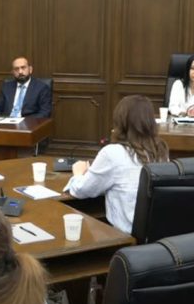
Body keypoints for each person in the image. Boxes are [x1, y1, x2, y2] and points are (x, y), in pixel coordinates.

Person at [65, 95, 169, 234]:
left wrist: (78, 173)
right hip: (157, 234)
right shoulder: (161, 150)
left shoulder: (112, 153)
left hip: (124, 236)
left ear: (120, 121)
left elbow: (82, 191)